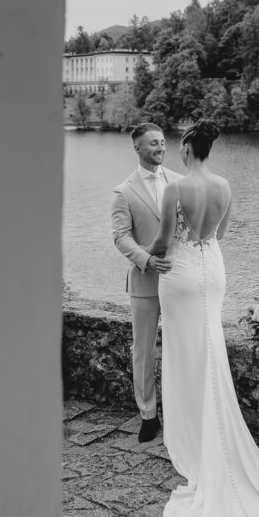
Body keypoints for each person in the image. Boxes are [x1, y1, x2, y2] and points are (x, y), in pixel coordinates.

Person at [145, 118, 259, 517]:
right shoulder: (225, 186)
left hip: (181, 275)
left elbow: (164, 241)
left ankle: (192, 439)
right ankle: (211, 432)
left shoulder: (175, 188)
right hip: (213, 271)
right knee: (210, 346)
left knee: (185, 354)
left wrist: (145, 254)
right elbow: (220, 233)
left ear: (187, 148)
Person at [111, 122, 182, 443]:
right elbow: (120, 236)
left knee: (182, 346)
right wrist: (146, 259)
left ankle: (181, 412)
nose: (160, 147)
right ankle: (148, 415)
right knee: (143, 351)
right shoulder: (123, 191)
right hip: (144, 281)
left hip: (178, 278)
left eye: (163, 142)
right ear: (137, 147)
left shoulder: (180, 182)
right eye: (153, 143)